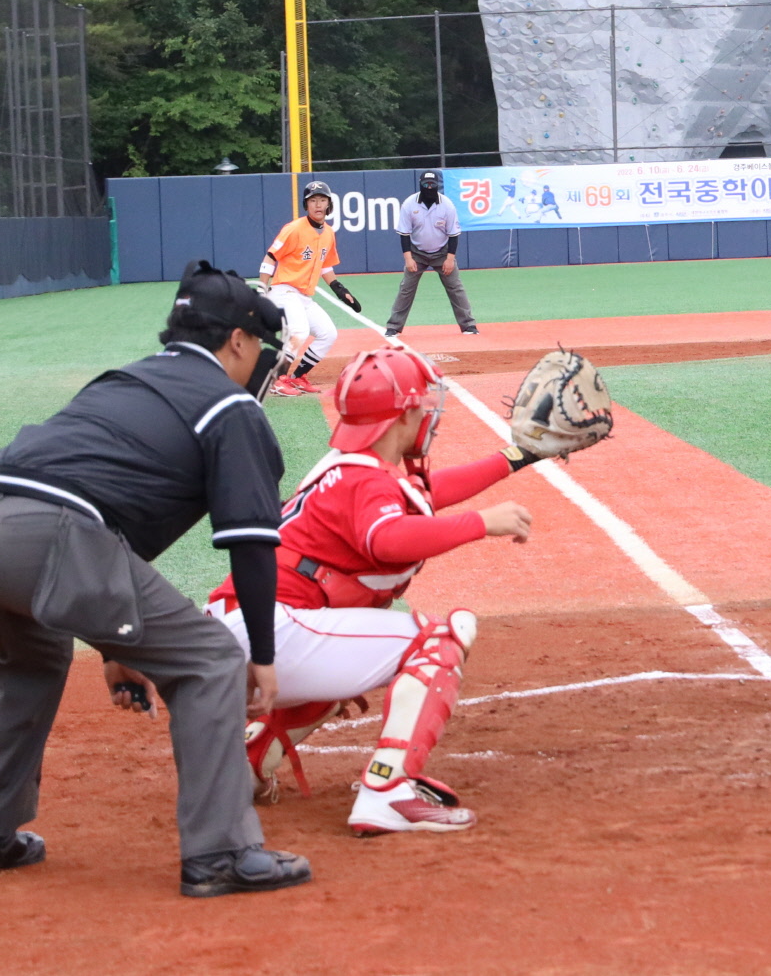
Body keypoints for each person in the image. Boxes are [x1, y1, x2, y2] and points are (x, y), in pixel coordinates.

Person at [0, 261, 313, 899]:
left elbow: (107, 512)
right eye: (258, 346)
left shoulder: (127, 380)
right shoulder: (229, 405)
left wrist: (115, 647)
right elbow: (250, 544)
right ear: (238, 341)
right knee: (211, 662)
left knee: (32, 657)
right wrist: (263, 657)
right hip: (48, 536)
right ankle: (221, 853)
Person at [207, 347, 546, 835]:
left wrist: (518, 456)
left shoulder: (352, 468)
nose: (429, 413)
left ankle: (252, 756)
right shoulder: (363, 481)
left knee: (354, 659)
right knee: (438, 638)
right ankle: (389, 790)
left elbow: (425, 497)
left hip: (239, 633)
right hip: (271, 632)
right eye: (422, 405)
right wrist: (480, 524)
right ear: (403, 414)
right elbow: (385, 540)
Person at [261, 181, 340, 397]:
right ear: (306, 204)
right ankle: (277, 379)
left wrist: (339, 288)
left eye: (322, 200)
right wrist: (261, 287)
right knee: (299, 331)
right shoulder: (294, 229)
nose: (317, 204)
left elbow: (326, 265)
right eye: (312, 200)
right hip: (284, 290)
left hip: (304, 296)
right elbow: (270, 256)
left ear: (328, 204)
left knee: (328, 334)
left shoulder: (328, 233)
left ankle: (297, 377)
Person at [386, 169, 477, 338]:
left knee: (455, 287)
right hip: (416, 252)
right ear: (420, 184)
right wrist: (408, 258)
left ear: (437, 186)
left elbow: (453, 234)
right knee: (406, 288)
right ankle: (393, 326)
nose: (429, 187)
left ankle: (468, 325)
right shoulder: (409, 204)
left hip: (442, 252)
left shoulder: (447, 205)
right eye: (425, 184)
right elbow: (404, 234)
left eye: (432, 185)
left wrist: (450, 259)